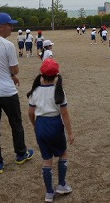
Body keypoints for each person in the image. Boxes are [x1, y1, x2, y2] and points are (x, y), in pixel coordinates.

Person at [0, 13, 34, 174]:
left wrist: (10, 74)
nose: (12, 27)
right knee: (16, 124)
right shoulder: (8, 45)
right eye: (10, 24)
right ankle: (20, 153)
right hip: (7, 92)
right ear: (1, 26)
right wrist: (12, 74)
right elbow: (14, 69)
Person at [27, 58, 74, 202]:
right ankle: (61, 184)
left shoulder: (35, 92)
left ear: (41, 74)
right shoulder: (59, 92)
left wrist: (35, 125)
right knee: (63, 153)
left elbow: (30, 112)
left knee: (47, 160)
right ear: (56, 76)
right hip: (54, 125)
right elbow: (65, 114)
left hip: (40, 125)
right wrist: (70, 133)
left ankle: (49, 193)